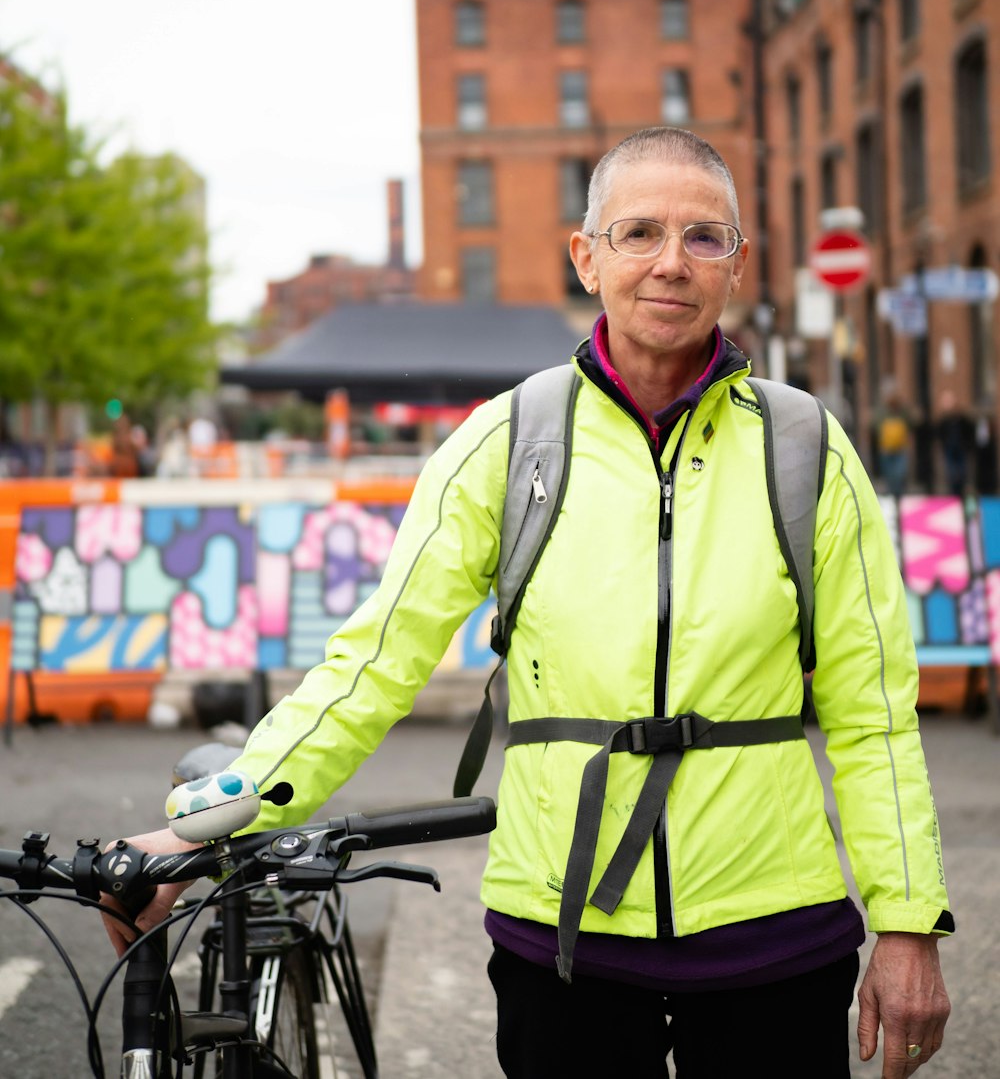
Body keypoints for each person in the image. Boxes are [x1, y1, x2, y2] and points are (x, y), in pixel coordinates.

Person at [108, 128, 951, 1078]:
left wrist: (909, 922)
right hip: (563, 938)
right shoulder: (507, 442)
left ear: (737, 264)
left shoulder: (804, 446)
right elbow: (375, 662)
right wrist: (201, 828)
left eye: (704, 237)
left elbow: (874, 712)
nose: (672, 261)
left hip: (775, 936)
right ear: (586, 256)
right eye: (638, 232)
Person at [934, 391, 974, 498]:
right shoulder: (944, 420)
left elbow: (969, 431)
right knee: (951, 473)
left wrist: (968, 445)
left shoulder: (962, 419)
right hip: (949, 449)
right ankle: (954, 493)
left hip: (961, 449)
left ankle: (961, 492)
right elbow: (939, 433)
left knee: (962, 472)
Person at [877, 393, 911, 497]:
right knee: (891, 477)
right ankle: (894, 496)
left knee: (898, 476)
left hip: (897, 450)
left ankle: (897, 495)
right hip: (888, 450)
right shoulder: (884, 415)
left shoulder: (902, 414)